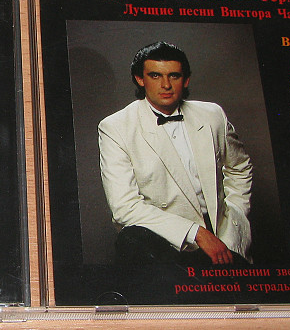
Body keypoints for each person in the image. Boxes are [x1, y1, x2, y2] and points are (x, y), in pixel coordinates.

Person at [98, 41, 252, 268]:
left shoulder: (212, 115)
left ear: (186, 80)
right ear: (140, 79)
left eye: (174, 76)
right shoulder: (115, 127)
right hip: (165, 246)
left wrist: (236, 218)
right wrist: (196, 233)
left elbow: (239, 167)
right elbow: (125, 208)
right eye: (155, 76)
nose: (166, 85)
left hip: (222, 240)